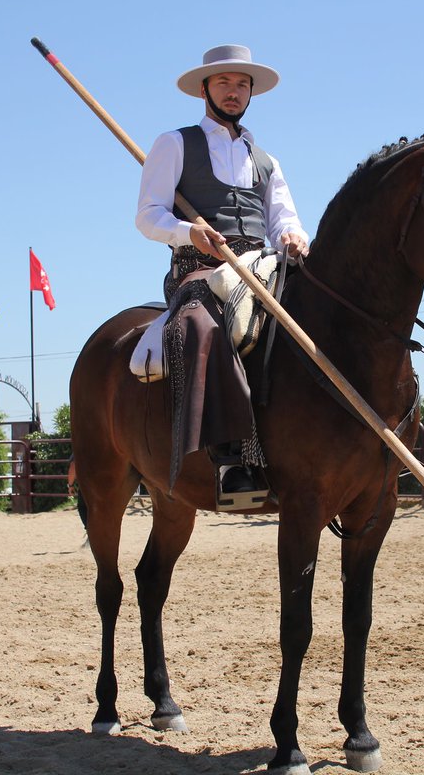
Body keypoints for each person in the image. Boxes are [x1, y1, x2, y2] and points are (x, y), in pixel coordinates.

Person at [136, 44, 309, 510]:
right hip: (200, 268)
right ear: (204, 90)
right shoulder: (175, 144)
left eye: (242, 85)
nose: (234, 92)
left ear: (251, 92)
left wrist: (293, 237)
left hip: (262, 265)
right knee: (205, 324)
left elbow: (284, 219)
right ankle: (233, 458)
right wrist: (189, 231)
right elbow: (148, 216)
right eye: (224, 83)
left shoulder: (266, 160)